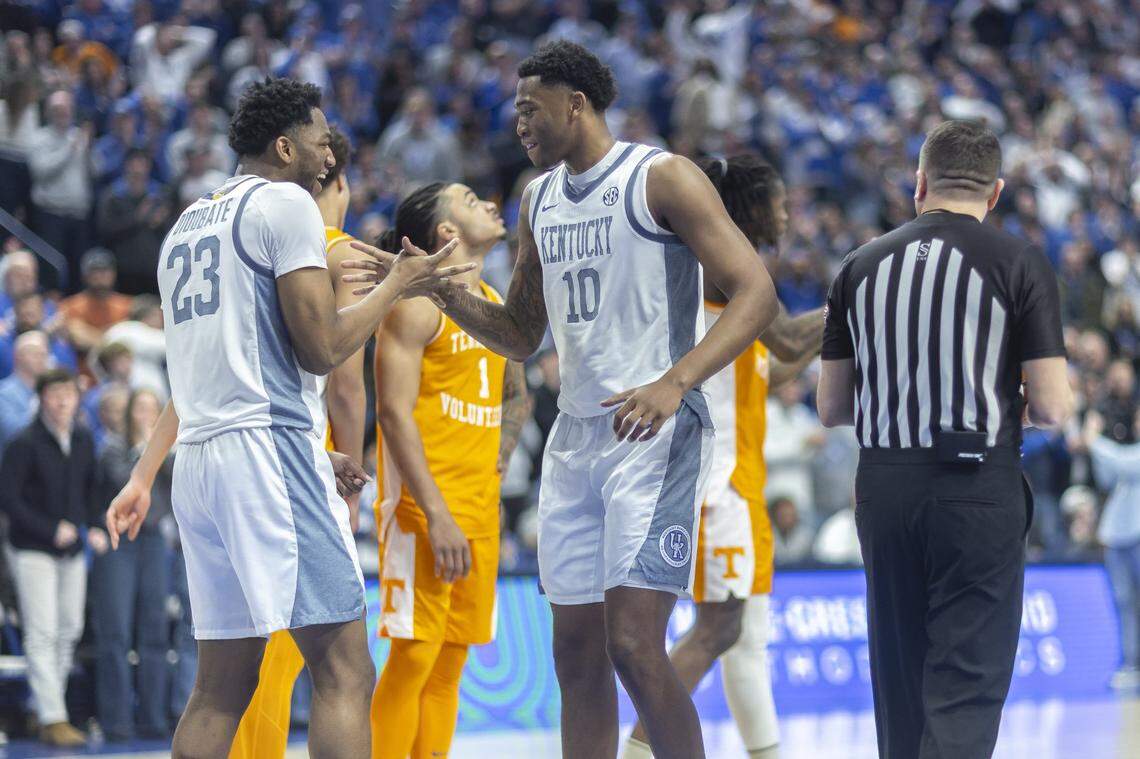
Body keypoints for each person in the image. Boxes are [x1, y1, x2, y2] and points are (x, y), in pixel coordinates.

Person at [348, 41, 777, 759]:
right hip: (576, 441)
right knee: (574, 657)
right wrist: (438, 287)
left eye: (529, 107)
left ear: (575, 104)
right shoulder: (537, 197)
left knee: (634, 644)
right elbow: (519, 333)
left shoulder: (661, 176)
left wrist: (676, 381)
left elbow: (756, 293)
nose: (517, 121)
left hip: (655, 431)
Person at [102, 78, 470, 759]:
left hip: (202, 467)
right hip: (265, 457)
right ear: (283, 144)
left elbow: (206, 370)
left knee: (220, 685)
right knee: (345, 669)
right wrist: (399, 283)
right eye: (319, 137)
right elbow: (325, 348)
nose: (328, 151)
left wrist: (147, 472)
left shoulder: (186, 224)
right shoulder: (285, 206)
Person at [816, 120, 1074, 759]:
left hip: (884, 486)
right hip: (976, 487)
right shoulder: (1018, 261)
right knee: (964, 686)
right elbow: (1052, 406)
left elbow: (831, 406)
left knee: (900, 683)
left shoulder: (860, 264)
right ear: (995, 193)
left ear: (920, 183)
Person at [624, 154, 824, 759]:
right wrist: (856, 295)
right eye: (779, 200)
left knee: (747, 636)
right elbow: (788, 337)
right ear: (751, 205)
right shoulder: (727, 272)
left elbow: (780, 360)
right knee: (721, 627)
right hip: (716, 483)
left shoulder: (716, 276)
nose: (787, 212)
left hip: (740, 483)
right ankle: (635, 751)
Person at [370, 182, 529, 759]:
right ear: (446, 234)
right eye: (468, 199)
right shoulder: (418, 303)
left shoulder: (489, 304)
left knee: (450, 661)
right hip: (423, 508)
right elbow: (391, 412)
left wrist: (501, 456)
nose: (489, 203)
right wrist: (436, 514)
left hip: (478, 508)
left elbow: (518, 397)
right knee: (414, 653)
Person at [228, 125, 371, 759]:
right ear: (338, 179)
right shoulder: (340, 254)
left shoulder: (228, 234)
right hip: (293, 462)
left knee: (235, 662)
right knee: (326, 662)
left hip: (228, 452)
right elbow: (345, 385)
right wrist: (354, 469)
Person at [0, 369, 99, 748]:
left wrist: (93, 526)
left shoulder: (84, 438)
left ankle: (45, 708)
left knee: (69, 628)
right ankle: (53, 715)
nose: (63, 401)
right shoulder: (23, 442)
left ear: (76, 398)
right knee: (42, 631)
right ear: (42, 398)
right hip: (31, 550)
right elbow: (9, 499)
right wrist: (49, 528)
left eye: (69, 394)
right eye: (55, 394)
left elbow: (90, 490)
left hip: (73, 549)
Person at [91, 387, 173, 740]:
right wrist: (144, 448)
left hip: (154, 541)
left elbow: (173, 480)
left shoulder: (168, 451)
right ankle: (116, 721)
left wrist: (157, 448)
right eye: (139, 409)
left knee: (154, 631)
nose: (144, 415)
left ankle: (153, 718)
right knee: (116, 633)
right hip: (119, 541)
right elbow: (117, 479)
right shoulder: (112, 447)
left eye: (152, 409)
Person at [1083, 409, 1140, 690]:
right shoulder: (1128, 450)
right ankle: (1130, 665)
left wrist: (1093, 439)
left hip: (1136, 537)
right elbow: (1107, 476)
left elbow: (1121, 463)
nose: (1138, 423)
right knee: (1124, 604)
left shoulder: (1130, 457)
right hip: (1118, 537)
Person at [58, 248, 133, 358]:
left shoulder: (128, 305)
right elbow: (77, 338)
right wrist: (116, 338)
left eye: (105, 270)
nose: (100, 276)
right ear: (85, 275)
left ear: (114, 273)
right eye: (95, 270)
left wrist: (90, 336)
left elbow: (131, 341)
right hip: (83, 372)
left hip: (122, 372)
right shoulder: (69, 306)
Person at [0, 330, 47, 454]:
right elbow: (13, 432)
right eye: (35, 353)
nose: (41, 358)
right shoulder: (3, 393)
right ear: (18, 356)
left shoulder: (48, 392)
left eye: (44, 354)